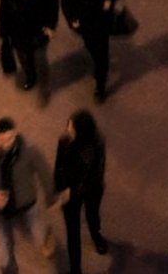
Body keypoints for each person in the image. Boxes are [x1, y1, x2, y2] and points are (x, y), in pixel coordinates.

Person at [0, 117, 56, 272]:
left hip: (25, 199)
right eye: (5, 140)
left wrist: (50, 194)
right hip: (1, 205)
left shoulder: (29, 150)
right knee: (2, 240)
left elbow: (44, 171)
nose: (10, 143)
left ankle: (44, 242)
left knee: (34, 224)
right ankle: (8, 269)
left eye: (12, 137)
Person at [62, 0, 124, 102]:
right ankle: (99, 64)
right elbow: (66, 1)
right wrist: (72, 19)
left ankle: (100, 86)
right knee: (91, 47)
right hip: (85, 24)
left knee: (102, 54)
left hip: (102, 22)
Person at [53, 110, 110, 273]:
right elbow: (59, 167)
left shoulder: (97, 144)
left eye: (72, 127)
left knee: (92, 215)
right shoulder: (65, 141)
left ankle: (96, 235)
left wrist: (72, 191)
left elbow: (96, 177)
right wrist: (59, 190)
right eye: (68, 124)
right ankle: (75, 269)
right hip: (68, 192)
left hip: (89, 190)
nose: (68, 129)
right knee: (72, 232)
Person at [0, 0, 59, 104]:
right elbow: (3, 14)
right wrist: (3, 32)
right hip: (19, 35)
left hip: (38, 34)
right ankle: (31, 77)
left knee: (40, 59)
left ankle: (44, 87)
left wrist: (50, 26)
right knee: (24, 59)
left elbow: (53, 6)